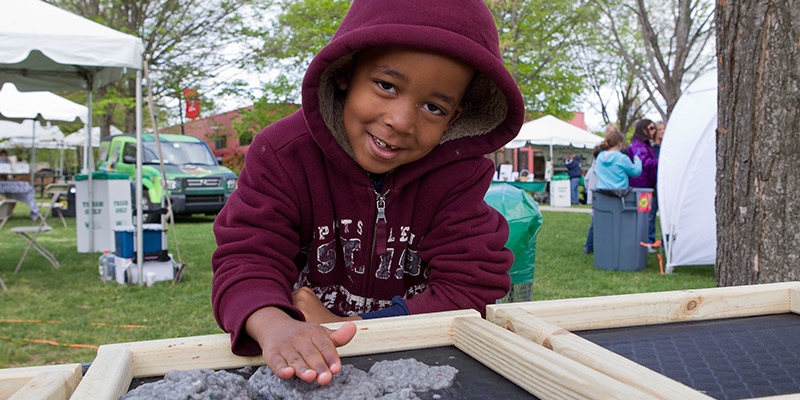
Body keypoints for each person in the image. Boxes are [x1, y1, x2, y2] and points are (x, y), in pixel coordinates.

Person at [211, 0, 524, 387]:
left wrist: (352, 327)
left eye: (433, 107)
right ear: (346, 72)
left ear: (456, 116)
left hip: (418, 366)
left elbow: (473, 285)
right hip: (300, 361)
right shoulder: (282, 154)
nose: (401, 120)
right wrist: (273, 323)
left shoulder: (458, 175)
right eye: (386, 86)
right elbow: (247, 256)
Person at [627, 119, 659, 246]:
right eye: (651, 128)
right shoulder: (638, 146)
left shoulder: (645, 145)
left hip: (646, 184)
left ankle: (643, 241)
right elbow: (644, 163)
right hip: (641, 186)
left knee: (646, 215)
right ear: (643, 129)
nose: (654, 131)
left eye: (654, 128)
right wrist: (660, 161)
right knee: (643, 215)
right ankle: (643, 242)